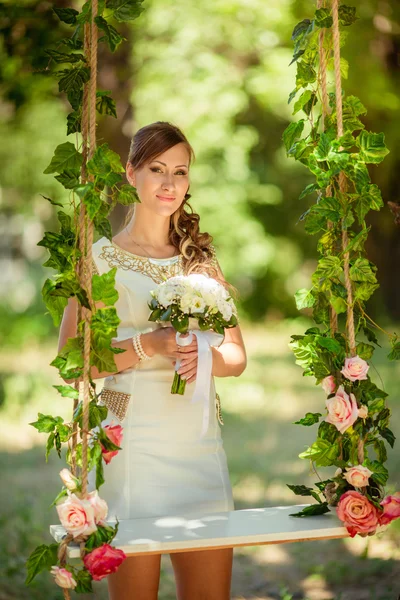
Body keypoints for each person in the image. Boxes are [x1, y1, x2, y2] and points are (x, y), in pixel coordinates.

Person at [58, 121, 247, 600]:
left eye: (180, 172)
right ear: (130, 174)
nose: (169, 184)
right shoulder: (99, 259)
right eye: (157, 169)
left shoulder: (199, 259)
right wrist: (151, 345)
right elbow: (70, 361)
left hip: (200, 445)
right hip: (133, 446)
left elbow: (236, 356)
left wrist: (200, 353)